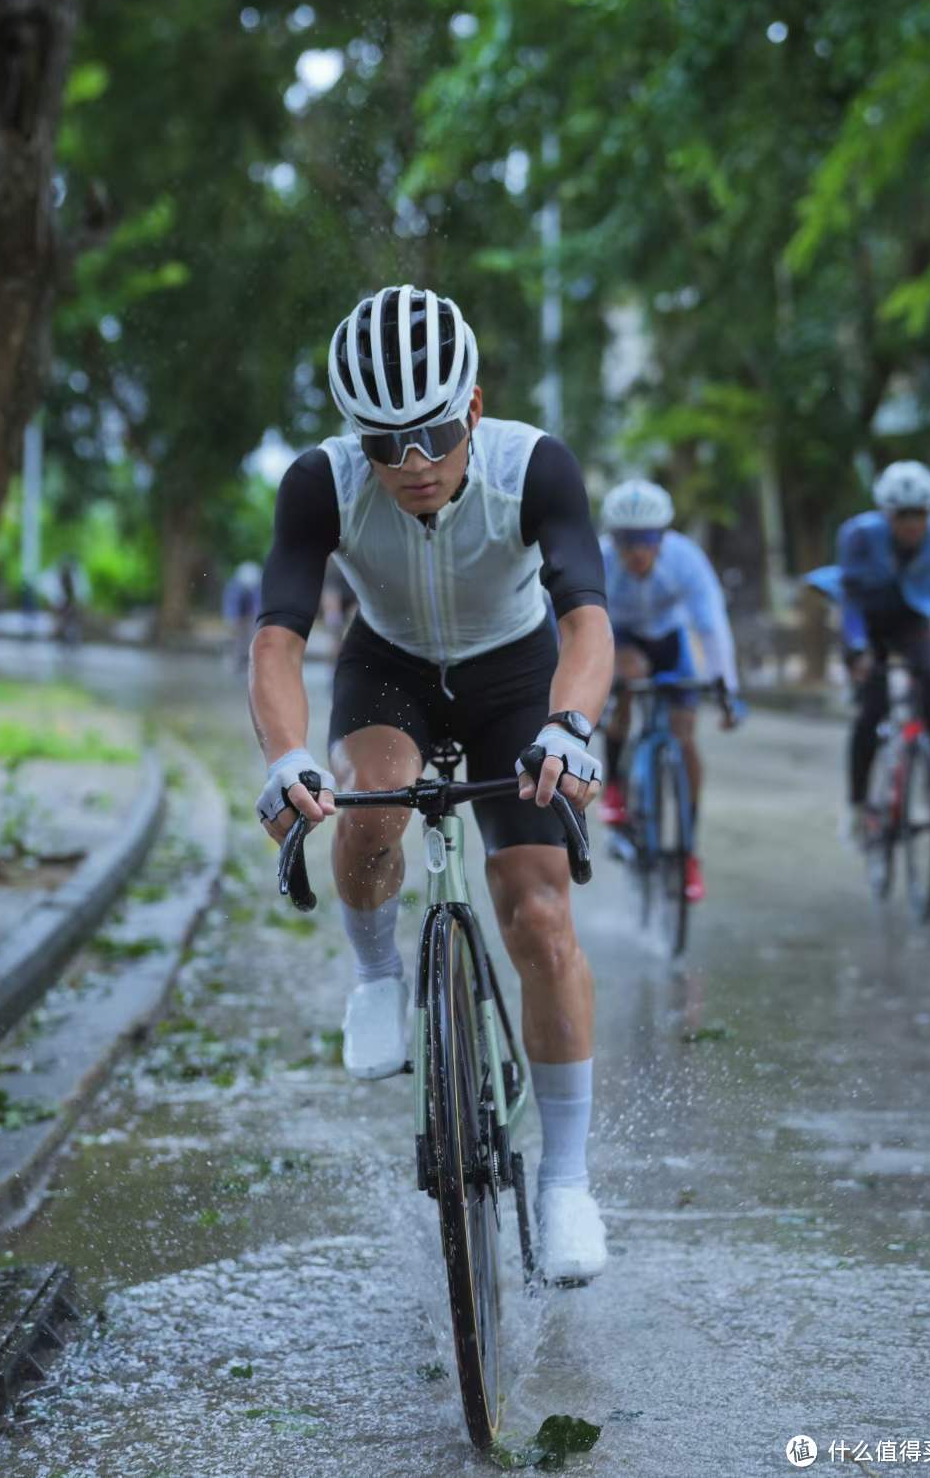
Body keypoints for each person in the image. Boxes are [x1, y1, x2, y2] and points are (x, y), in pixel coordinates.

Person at [249, 284, 614, 1281]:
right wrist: (286, 757)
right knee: (365, 814)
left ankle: (567, 1181)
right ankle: (375, 975)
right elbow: (277, 639)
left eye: (436, 433)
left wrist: (571, 726)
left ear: (476, 410)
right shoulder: (318, 483)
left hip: (515, 674)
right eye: (385, 443)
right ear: (354, 438)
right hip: (391, 667)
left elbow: (586, 617)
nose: (413, 464)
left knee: (537, 914)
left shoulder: (533, 466)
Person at [597, 479, 740, 903]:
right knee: (628, 674)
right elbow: (576, 624)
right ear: (613, 539)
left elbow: (711, 627)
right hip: (621, 636)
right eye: (626, 541)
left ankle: (689, 851)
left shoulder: (686, 560)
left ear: (663, 536)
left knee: (685, 735)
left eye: (646, 540)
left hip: (670, 639)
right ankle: (617, 786)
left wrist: (727, 690)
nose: (637, 551)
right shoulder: (600, 560)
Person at [829, 461, 930, 839]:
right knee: (872, 710)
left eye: (919, 515)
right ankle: (855, 804)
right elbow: (848, 598)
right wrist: (856, 649)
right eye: (902, 515)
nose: (911, 524)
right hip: (866, 621)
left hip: (912, 618)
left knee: (928, 685)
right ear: (887, 514)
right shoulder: (858, 534)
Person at [222, 560, 263, 673]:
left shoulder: (257, 588)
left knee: (251, 632)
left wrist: (256, 622)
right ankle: (236, 659)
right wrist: (232, 623)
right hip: (239, 613)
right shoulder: (234, 588)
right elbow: (231, 607)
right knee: (237, 634)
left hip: (249, 614)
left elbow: (258, 606)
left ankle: (249, 657)